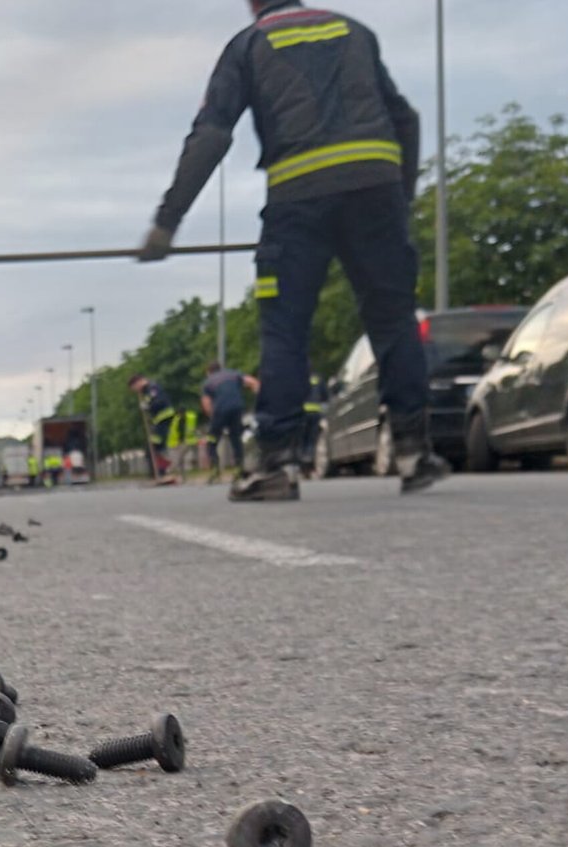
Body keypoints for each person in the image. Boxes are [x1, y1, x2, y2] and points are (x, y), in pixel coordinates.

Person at [139, 2, 437, 502]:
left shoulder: (249, 46)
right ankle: (413, 450)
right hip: (376, 189)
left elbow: (212, 134)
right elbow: (403, 117)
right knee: (393, 318)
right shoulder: (354, 31)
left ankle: (276, 463)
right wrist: (399, 200)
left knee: (286, 325)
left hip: (300, 198)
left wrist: (167, 221)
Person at [200, 360, 259, 484]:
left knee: (212, 440)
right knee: (235, 438)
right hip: (237, 408)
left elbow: (206, 403)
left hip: (220, 410)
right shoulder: (234, 374)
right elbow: (253, 382)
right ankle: (238, 468)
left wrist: (213, 418)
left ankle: (215, 469)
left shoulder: (208, 382)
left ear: (208, 372)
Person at [128, 374, 185, 486]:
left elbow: (160, 401)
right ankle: (159, 474)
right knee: (152, 449)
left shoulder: (152, 388)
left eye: (134, 388)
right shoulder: (146, 391)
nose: (136, 390)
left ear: (138, 382)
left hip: (164, 421)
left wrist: (148, 406)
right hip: (159, 423)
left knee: (155, 448)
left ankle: (162, 473)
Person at [300, 371, 329, 475]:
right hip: (316, 413)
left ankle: (303, 467)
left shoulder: (298, 379)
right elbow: (325, 396)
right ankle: (311, 464)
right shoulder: (318, 379)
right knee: (313, 440)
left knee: (303, 440)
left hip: (302, 415)